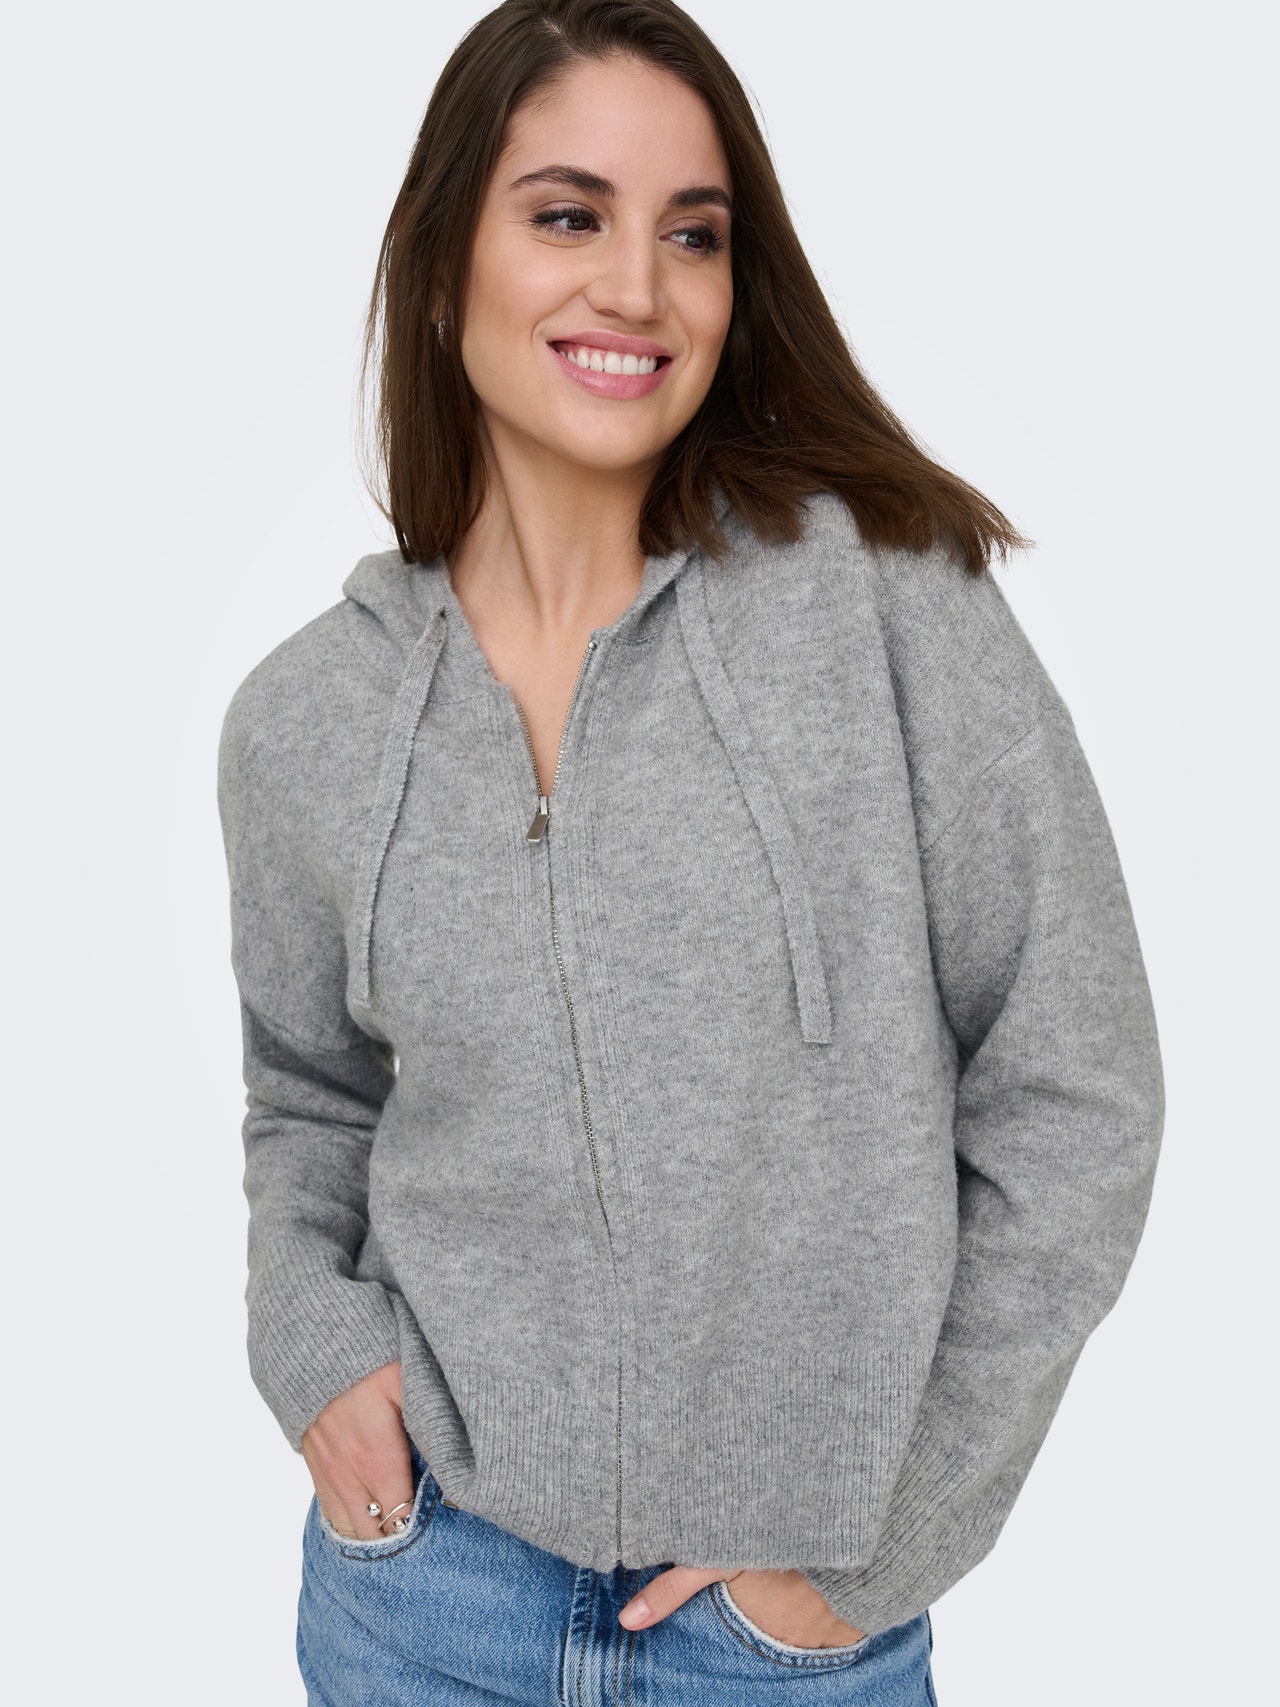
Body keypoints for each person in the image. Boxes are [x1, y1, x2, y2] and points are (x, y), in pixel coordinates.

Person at [216, 2, 1165, 1701]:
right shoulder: (309, 720)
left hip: (783, 1645)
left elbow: (1075, 1089)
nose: (637, 288)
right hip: (419, 1603)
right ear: (442, 262)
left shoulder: (886, 607)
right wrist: (316, 1350)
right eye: (567, 215)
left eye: (693, 234)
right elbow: (308, 1099)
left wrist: (871, 1555)